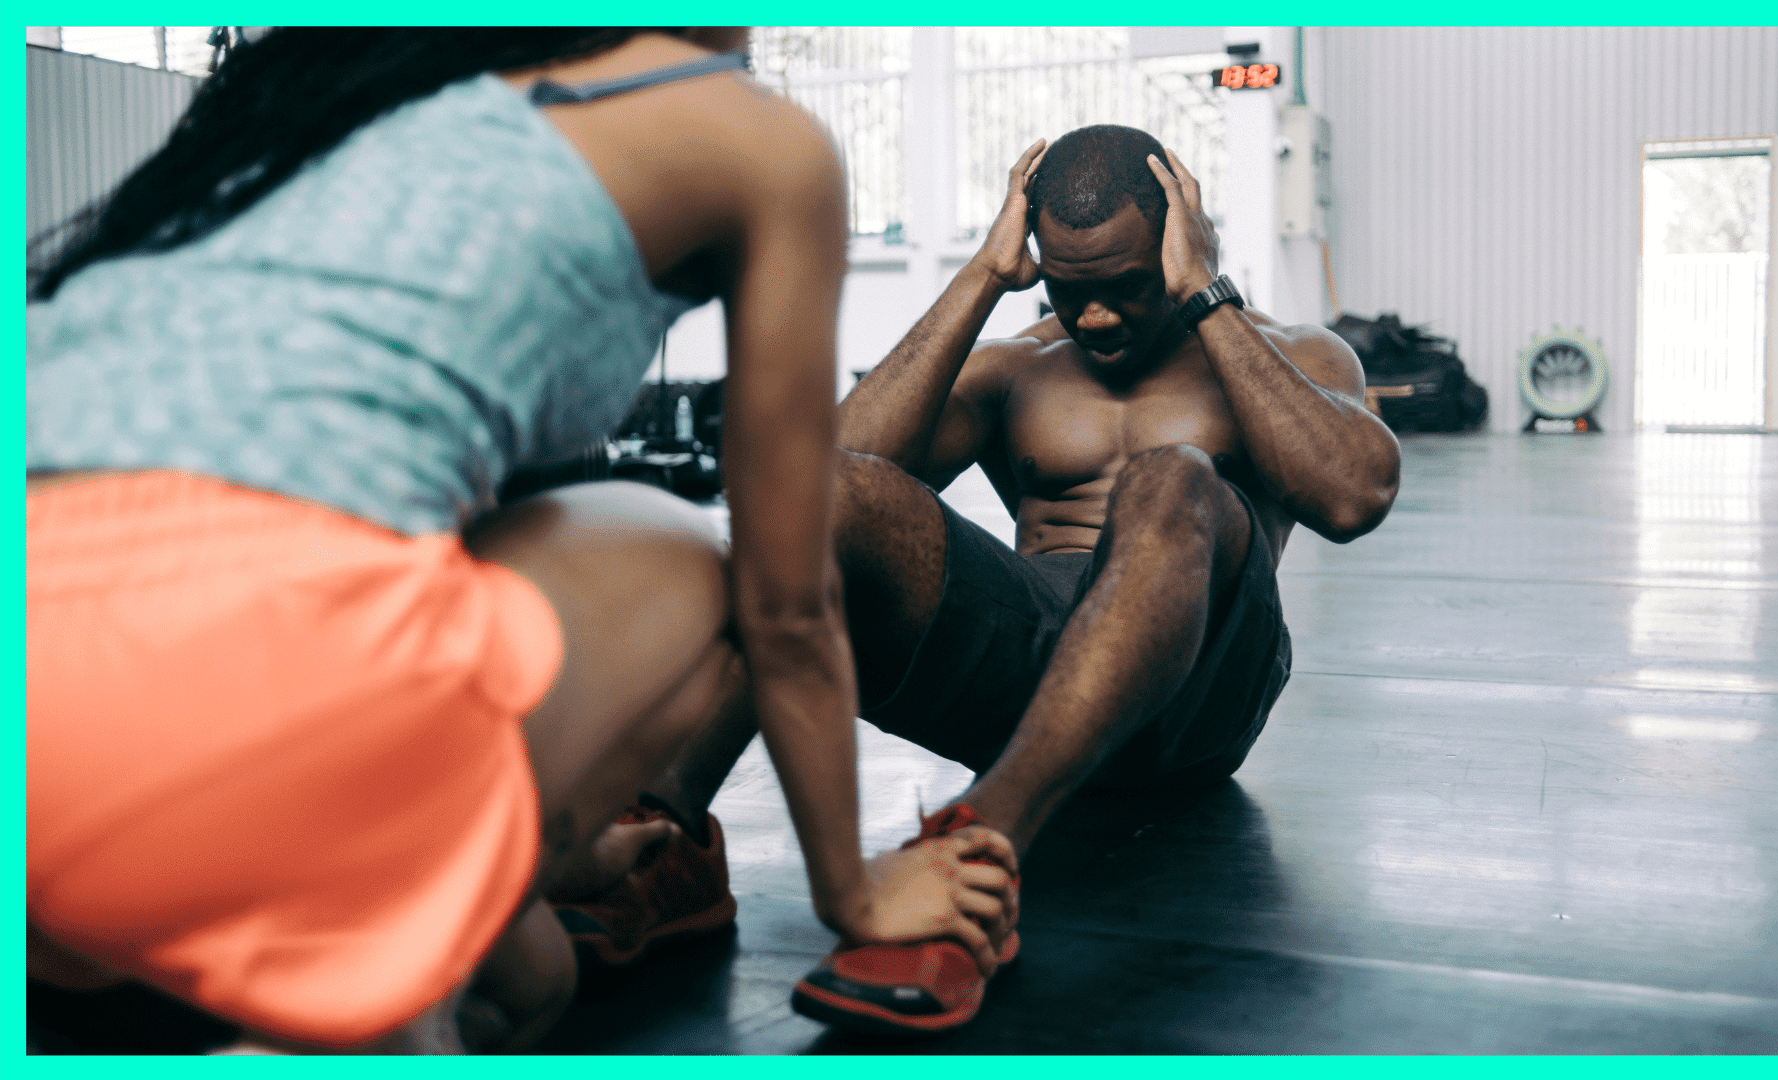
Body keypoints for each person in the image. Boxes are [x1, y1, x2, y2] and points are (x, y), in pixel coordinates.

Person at [25, 27, 1015, 1054]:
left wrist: (554, 844)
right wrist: (853, 894)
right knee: (712, 557)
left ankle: (405, 907)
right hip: (247, 691)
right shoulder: (757, 139)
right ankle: (356, 1003)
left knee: (527, 981)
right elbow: (788, 605)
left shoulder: (356, 90)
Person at [776, 124, 1402, 1034]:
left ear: (1180, 242)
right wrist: (983, 278)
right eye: (1074, 294)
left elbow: (1354, 496)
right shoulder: (1020, 368)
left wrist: (1204, 297)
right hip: (1035, 672)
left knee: (1177, 475)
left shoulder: (1291, 354)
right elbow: (806, 500)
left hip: (1196, 695)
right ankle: (669, 835)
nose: (1098, 319)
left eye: (1127, 288)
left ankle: (980, 846)